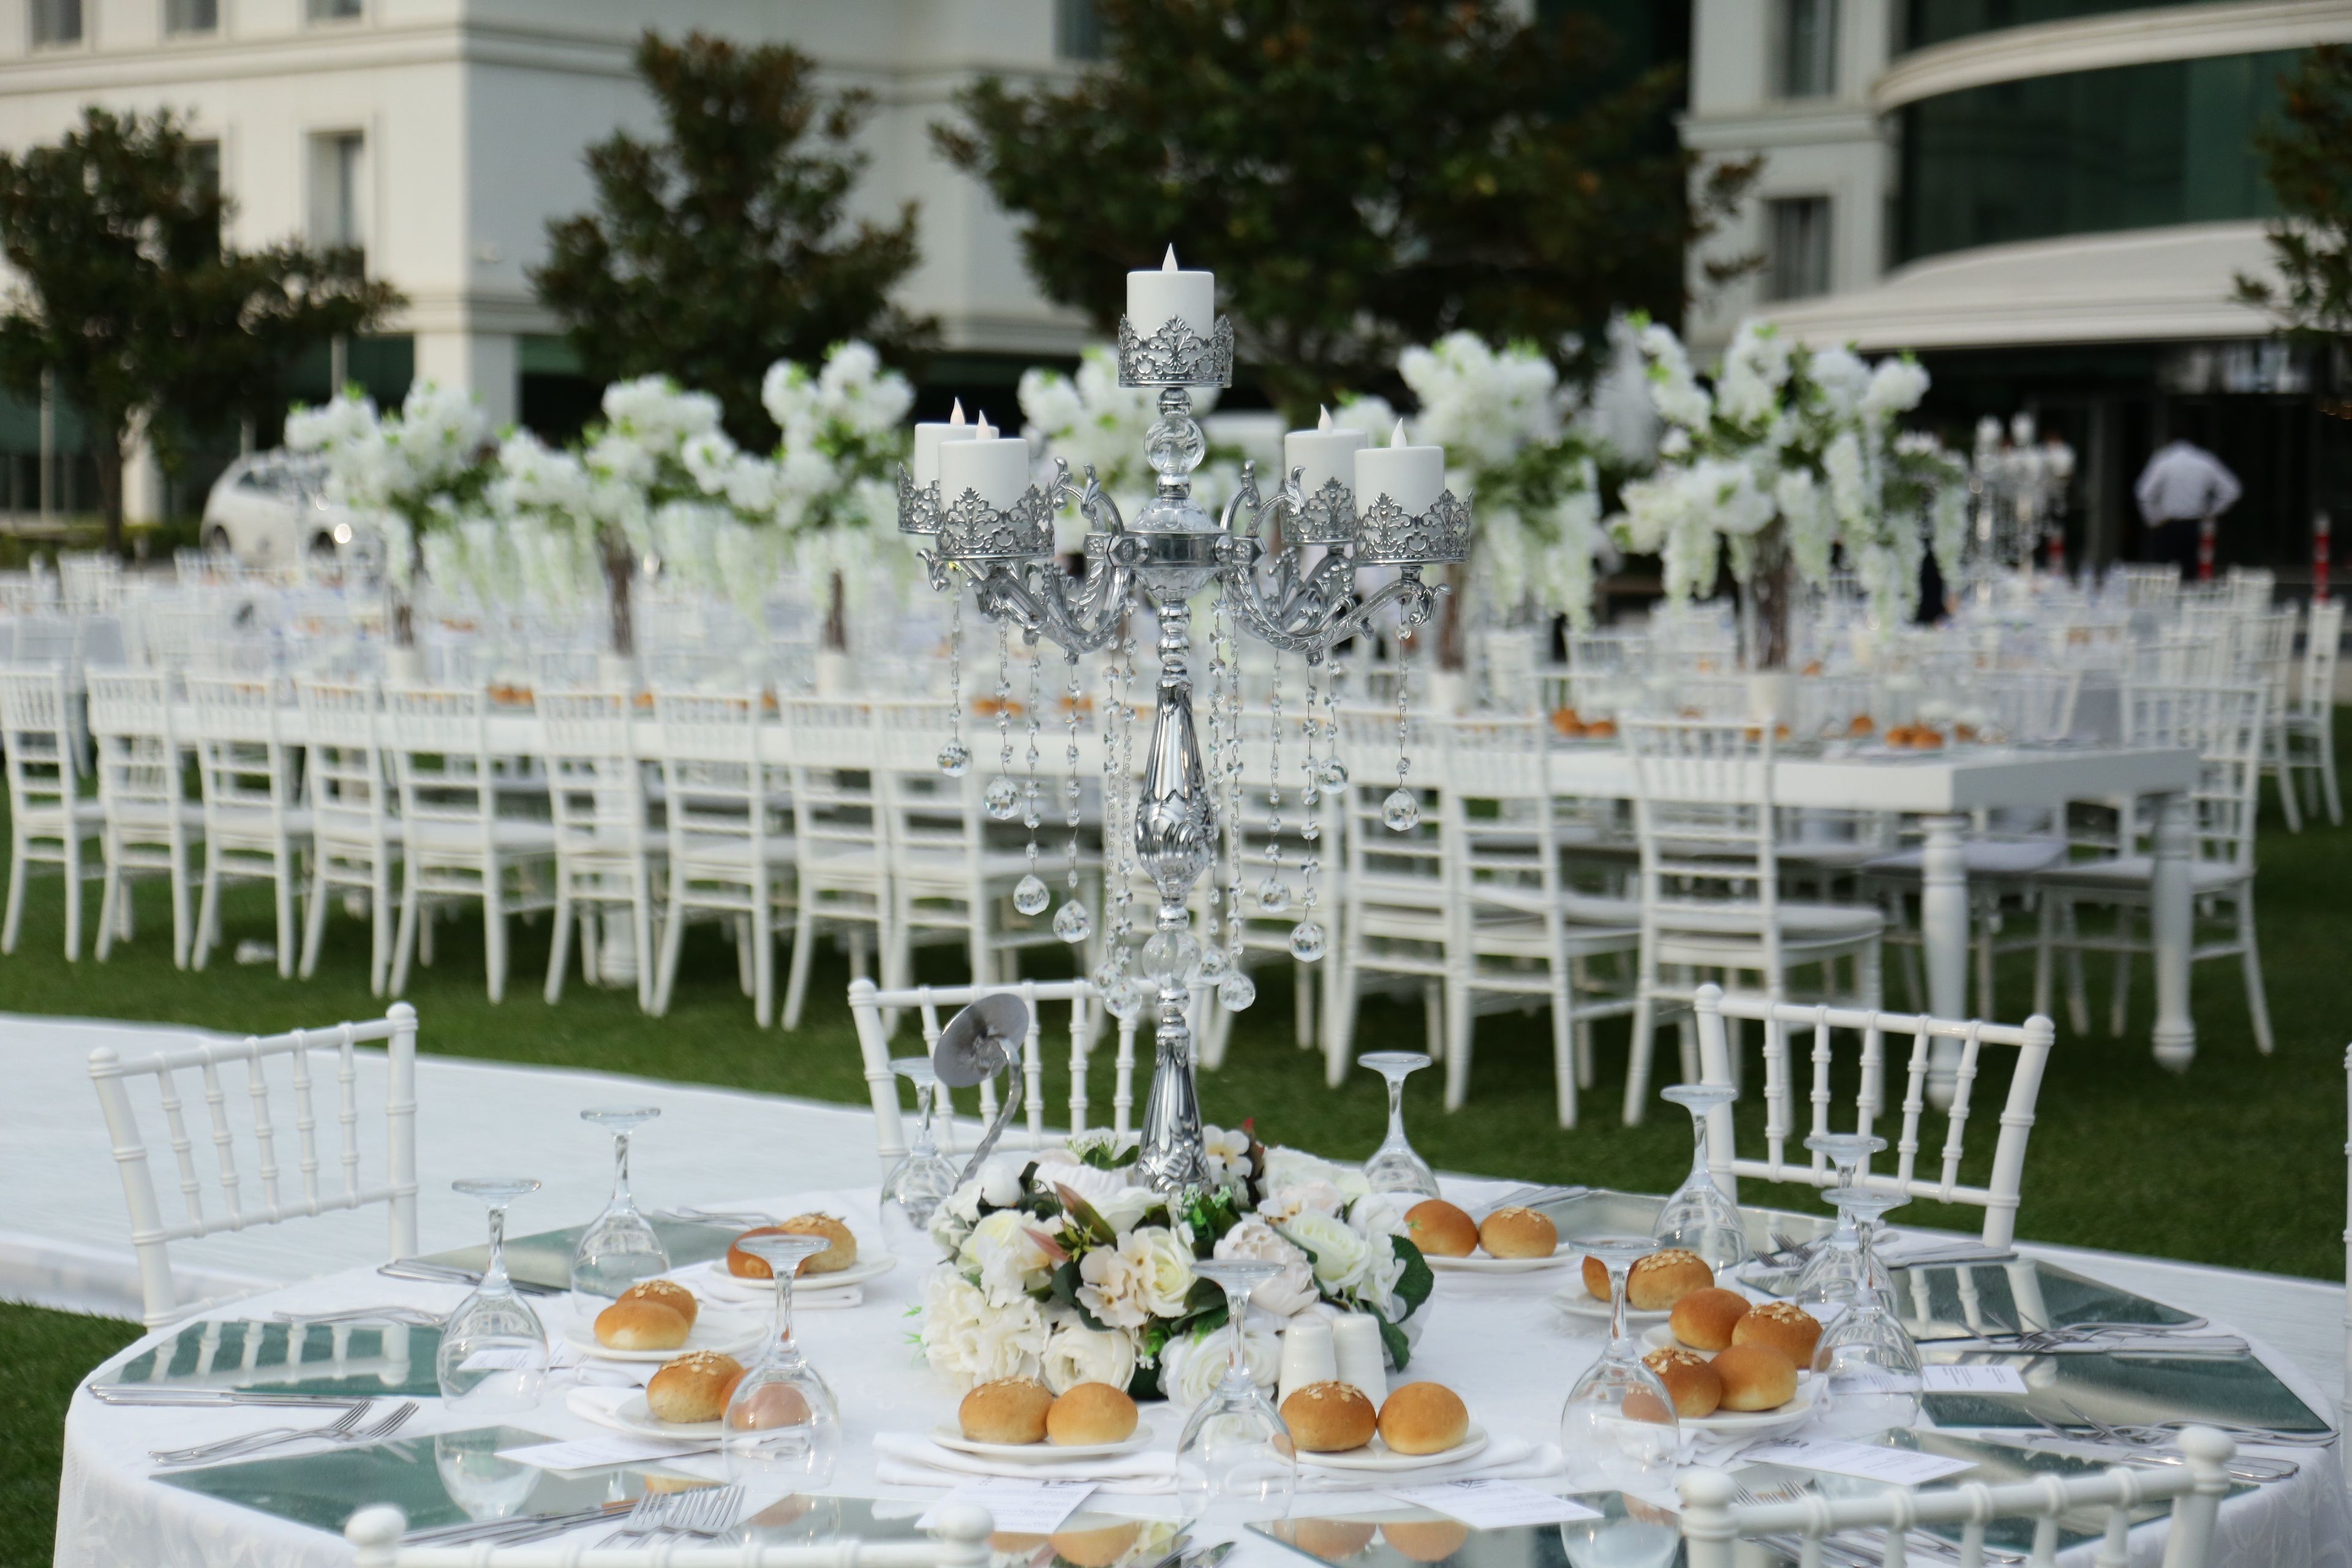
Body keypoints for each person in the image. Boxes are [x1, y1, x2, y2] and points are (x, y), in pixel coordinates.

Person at [2135, 439, 2241, 578]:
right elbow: (2232, 490)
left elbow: (2144, 493)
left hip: (2168, 525)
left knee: (2162, 575)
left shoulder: (2164, 460)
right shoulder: (2204, 460)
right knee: (2192, 577)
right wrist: (2211, 511)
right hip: (2195, 525)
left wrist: (2153, 518)